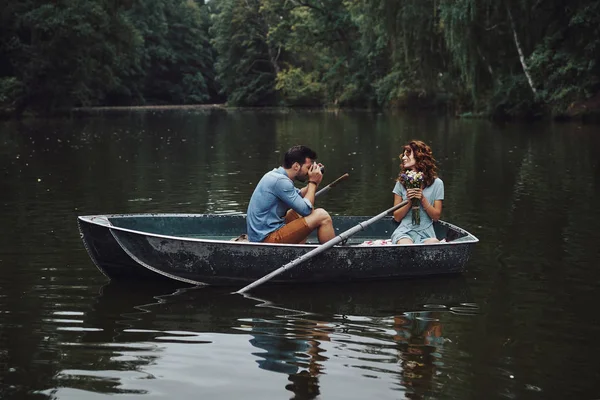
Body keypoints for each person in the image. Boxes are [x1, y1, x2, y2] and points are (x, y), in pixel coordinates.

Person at [246, 145, 335, 244]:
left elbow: (299, 195)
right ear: (296, 166)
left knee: (299, 211)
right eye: (308, 167)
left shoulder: (276, 175)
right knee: (322, 215)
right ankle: (333, 256)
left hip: (262, 235)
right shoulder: (280, 181)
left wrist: (315, 181)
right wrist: (312, 182)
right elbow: (306, 210)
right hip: (266, 239)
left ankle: (298, 252)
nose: (309, 172)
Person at [391, 140, 444, 244]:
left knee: (433, 243)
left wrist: (422, 199)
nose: (403, 158)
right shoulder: (401, 183)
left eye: (408, 155)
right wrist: (410, 201)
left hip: (427, 233)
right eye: (404, 155)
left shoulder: (437, 183)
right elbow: (397, 217)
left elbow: (436, 217)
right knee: (406, 245)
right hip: (404, 232)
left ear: (419, 157)